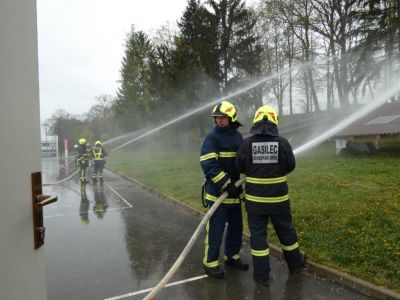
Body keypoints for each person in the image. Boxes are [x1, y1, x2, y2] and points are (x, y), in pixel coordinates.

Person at [236, 105, 307, 286]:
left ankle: (261, 276)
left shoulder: (246, 144)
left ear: (256, 121)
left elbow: (240, 167)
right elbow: (290, 165)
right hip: (279, 201)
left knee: (258, 237)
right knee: (286, 233)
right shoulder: (282, 143)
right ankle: (296, 265)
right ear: (275, 121)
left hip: (255, 203)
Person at [200, 100, 249, 278]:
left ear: (231, 117)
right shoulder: (212, 137)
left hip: (234, 194)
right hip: (217, 195)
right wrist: (225, 183)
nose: (219, 120)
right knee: (215, 230)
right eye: (217, 118)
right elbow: (208, 163)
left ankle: (232, 257)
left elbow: (241, 162)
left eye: (222, 117)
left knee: (236, 229)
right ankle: (210, 263)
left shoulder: (238, 137)